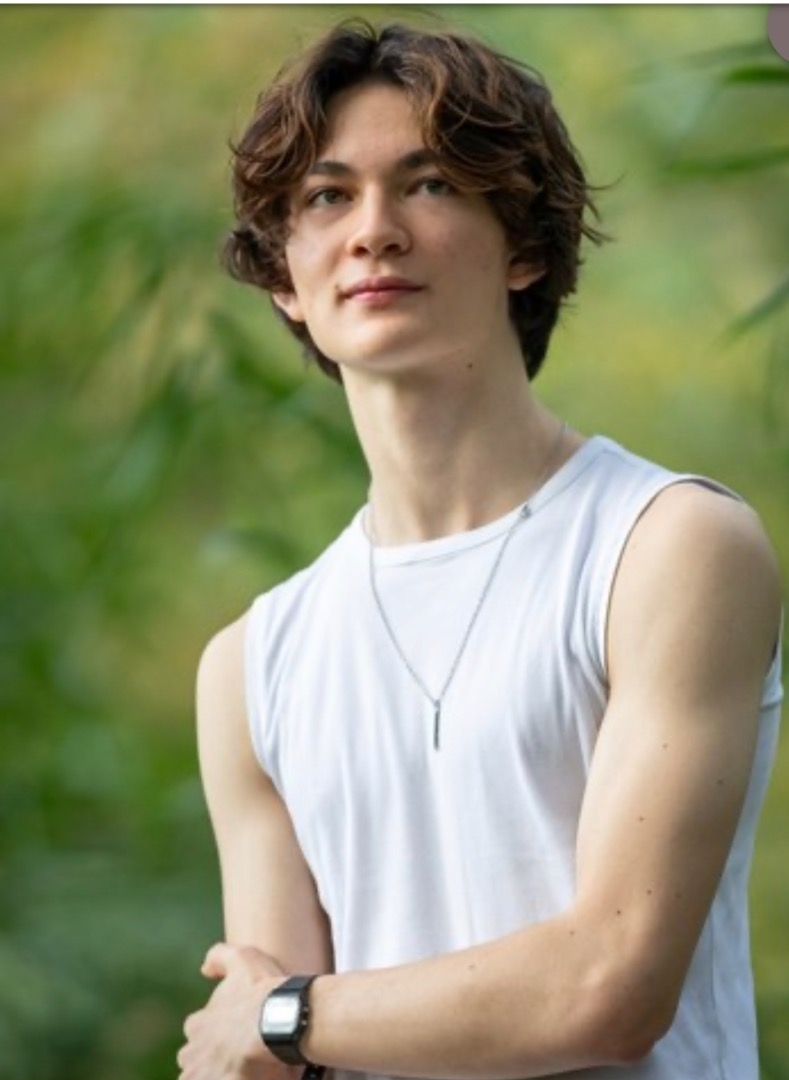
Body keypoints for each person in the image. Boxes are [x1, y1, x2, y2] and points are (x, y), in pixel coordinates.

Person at [177, 19, 783, 1080]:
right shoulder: (251, 667)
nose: (373, 231)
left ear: (527, 247)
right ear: (283, 277)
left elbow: (608, 988)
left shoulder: (667, 548)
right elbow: (261, 1061)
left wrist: (287, 1016)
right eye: (326, 198)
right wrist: (279, 1027)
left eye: (430, 185)